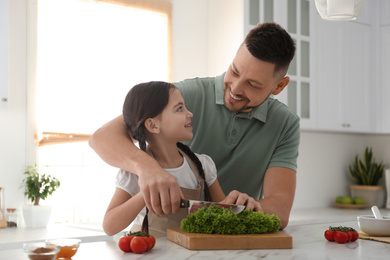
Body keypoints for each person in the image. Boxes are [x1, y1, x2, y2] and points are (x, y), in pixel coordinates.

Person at [90, 22, 299, 230]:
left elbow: (279, 209)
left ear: (278, 86)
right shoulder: (184, 95)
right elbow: (101, 137)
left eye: (253, 84)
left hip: (220, 238)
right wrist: (150, 171)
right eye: (234, 71)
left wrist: (248, 208)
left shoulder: (285, 124)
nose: (235, 88)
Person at [102, 81, 260, 237]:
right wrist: (145, 194)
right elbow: (109, 226)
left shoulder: (202, 165)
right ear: (153, 125)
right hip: (146, 252)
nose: (189, 113)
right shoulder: (136, 172)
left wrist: (239, 202)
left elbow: (223, 214)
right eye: (179, 109)